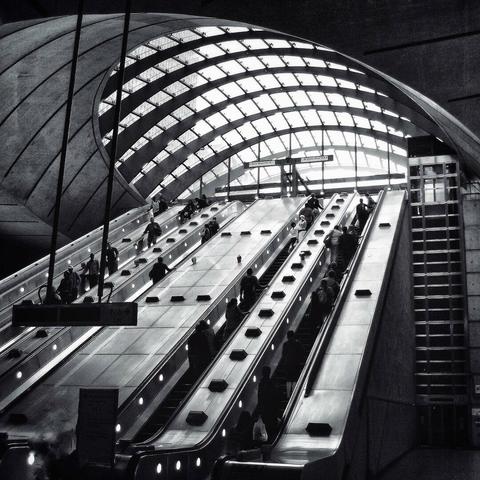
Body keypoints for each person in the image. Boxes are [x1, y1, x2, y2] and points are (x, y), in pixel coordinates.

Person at [257, 366, 280, 440]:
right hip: (271, 409)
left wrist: (259, 410)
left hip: (264, 409)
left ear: (262, 373)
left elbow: (260, 397)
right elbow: (275, 397)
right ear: (269, 373)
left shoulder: (261, 383)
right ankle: (270, 439)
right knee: (270, 426)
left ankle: (265, 439)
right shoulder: (271, 383)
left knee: (266, 425)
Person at [282, 330, 304, 397]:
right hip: (295, 364)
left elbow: (284, 355)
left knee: (288, 380)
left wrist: (284, 363)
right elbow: (301, 352)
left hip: (288, 364)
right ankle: (294, 395)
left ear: (287, 336)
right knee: (294, 379)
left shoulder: (285, 344)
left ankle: (288, 395)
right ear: (293, 336)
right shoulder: (297, 343)